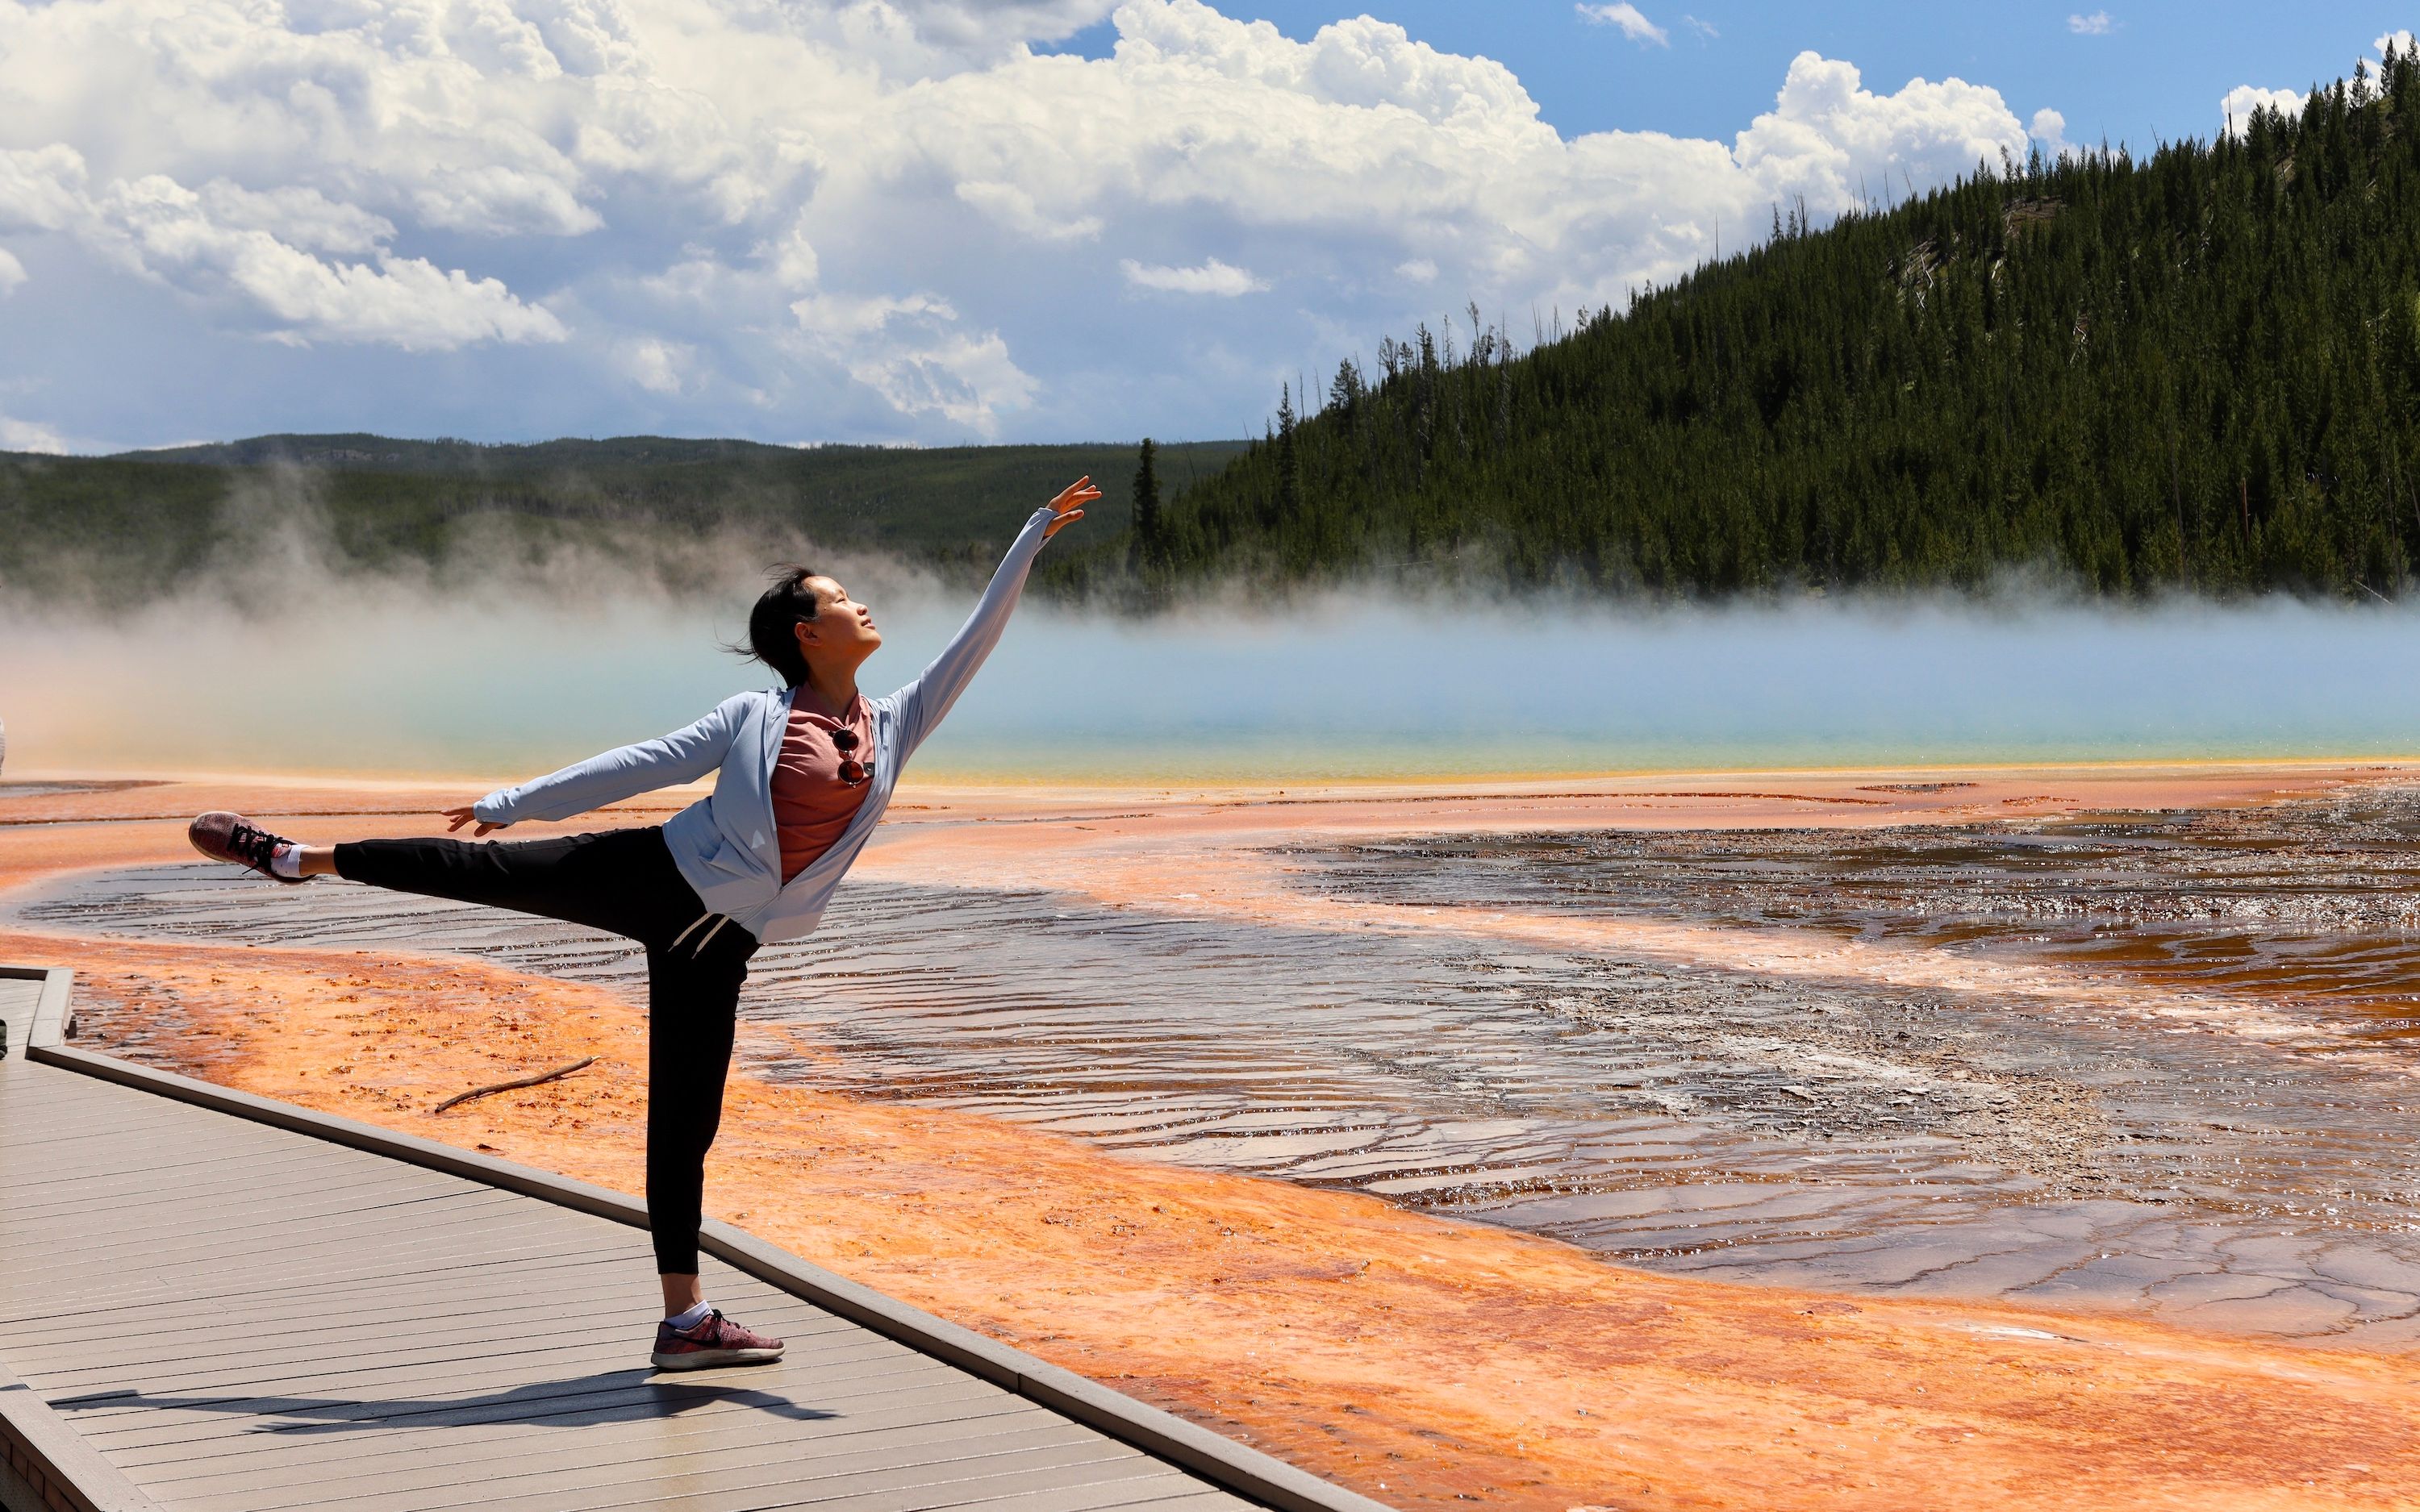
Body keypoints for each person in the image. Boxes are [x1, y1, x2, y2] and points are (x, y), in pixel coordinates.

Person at [187, 479, 1097, 1369]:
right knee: (478, 869)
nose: (862, 606)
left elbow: (975, 642)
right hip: (652, 875)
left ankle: (683, 1320)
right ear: (806, 634)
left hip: (724, 945)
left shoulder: (894, 722)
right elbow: (641, 765)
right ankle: (293, 858)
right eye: (841, 599)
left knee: (684, 1126)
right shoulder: (756, 716)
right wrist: (518, 802)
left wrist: (1031, 535)